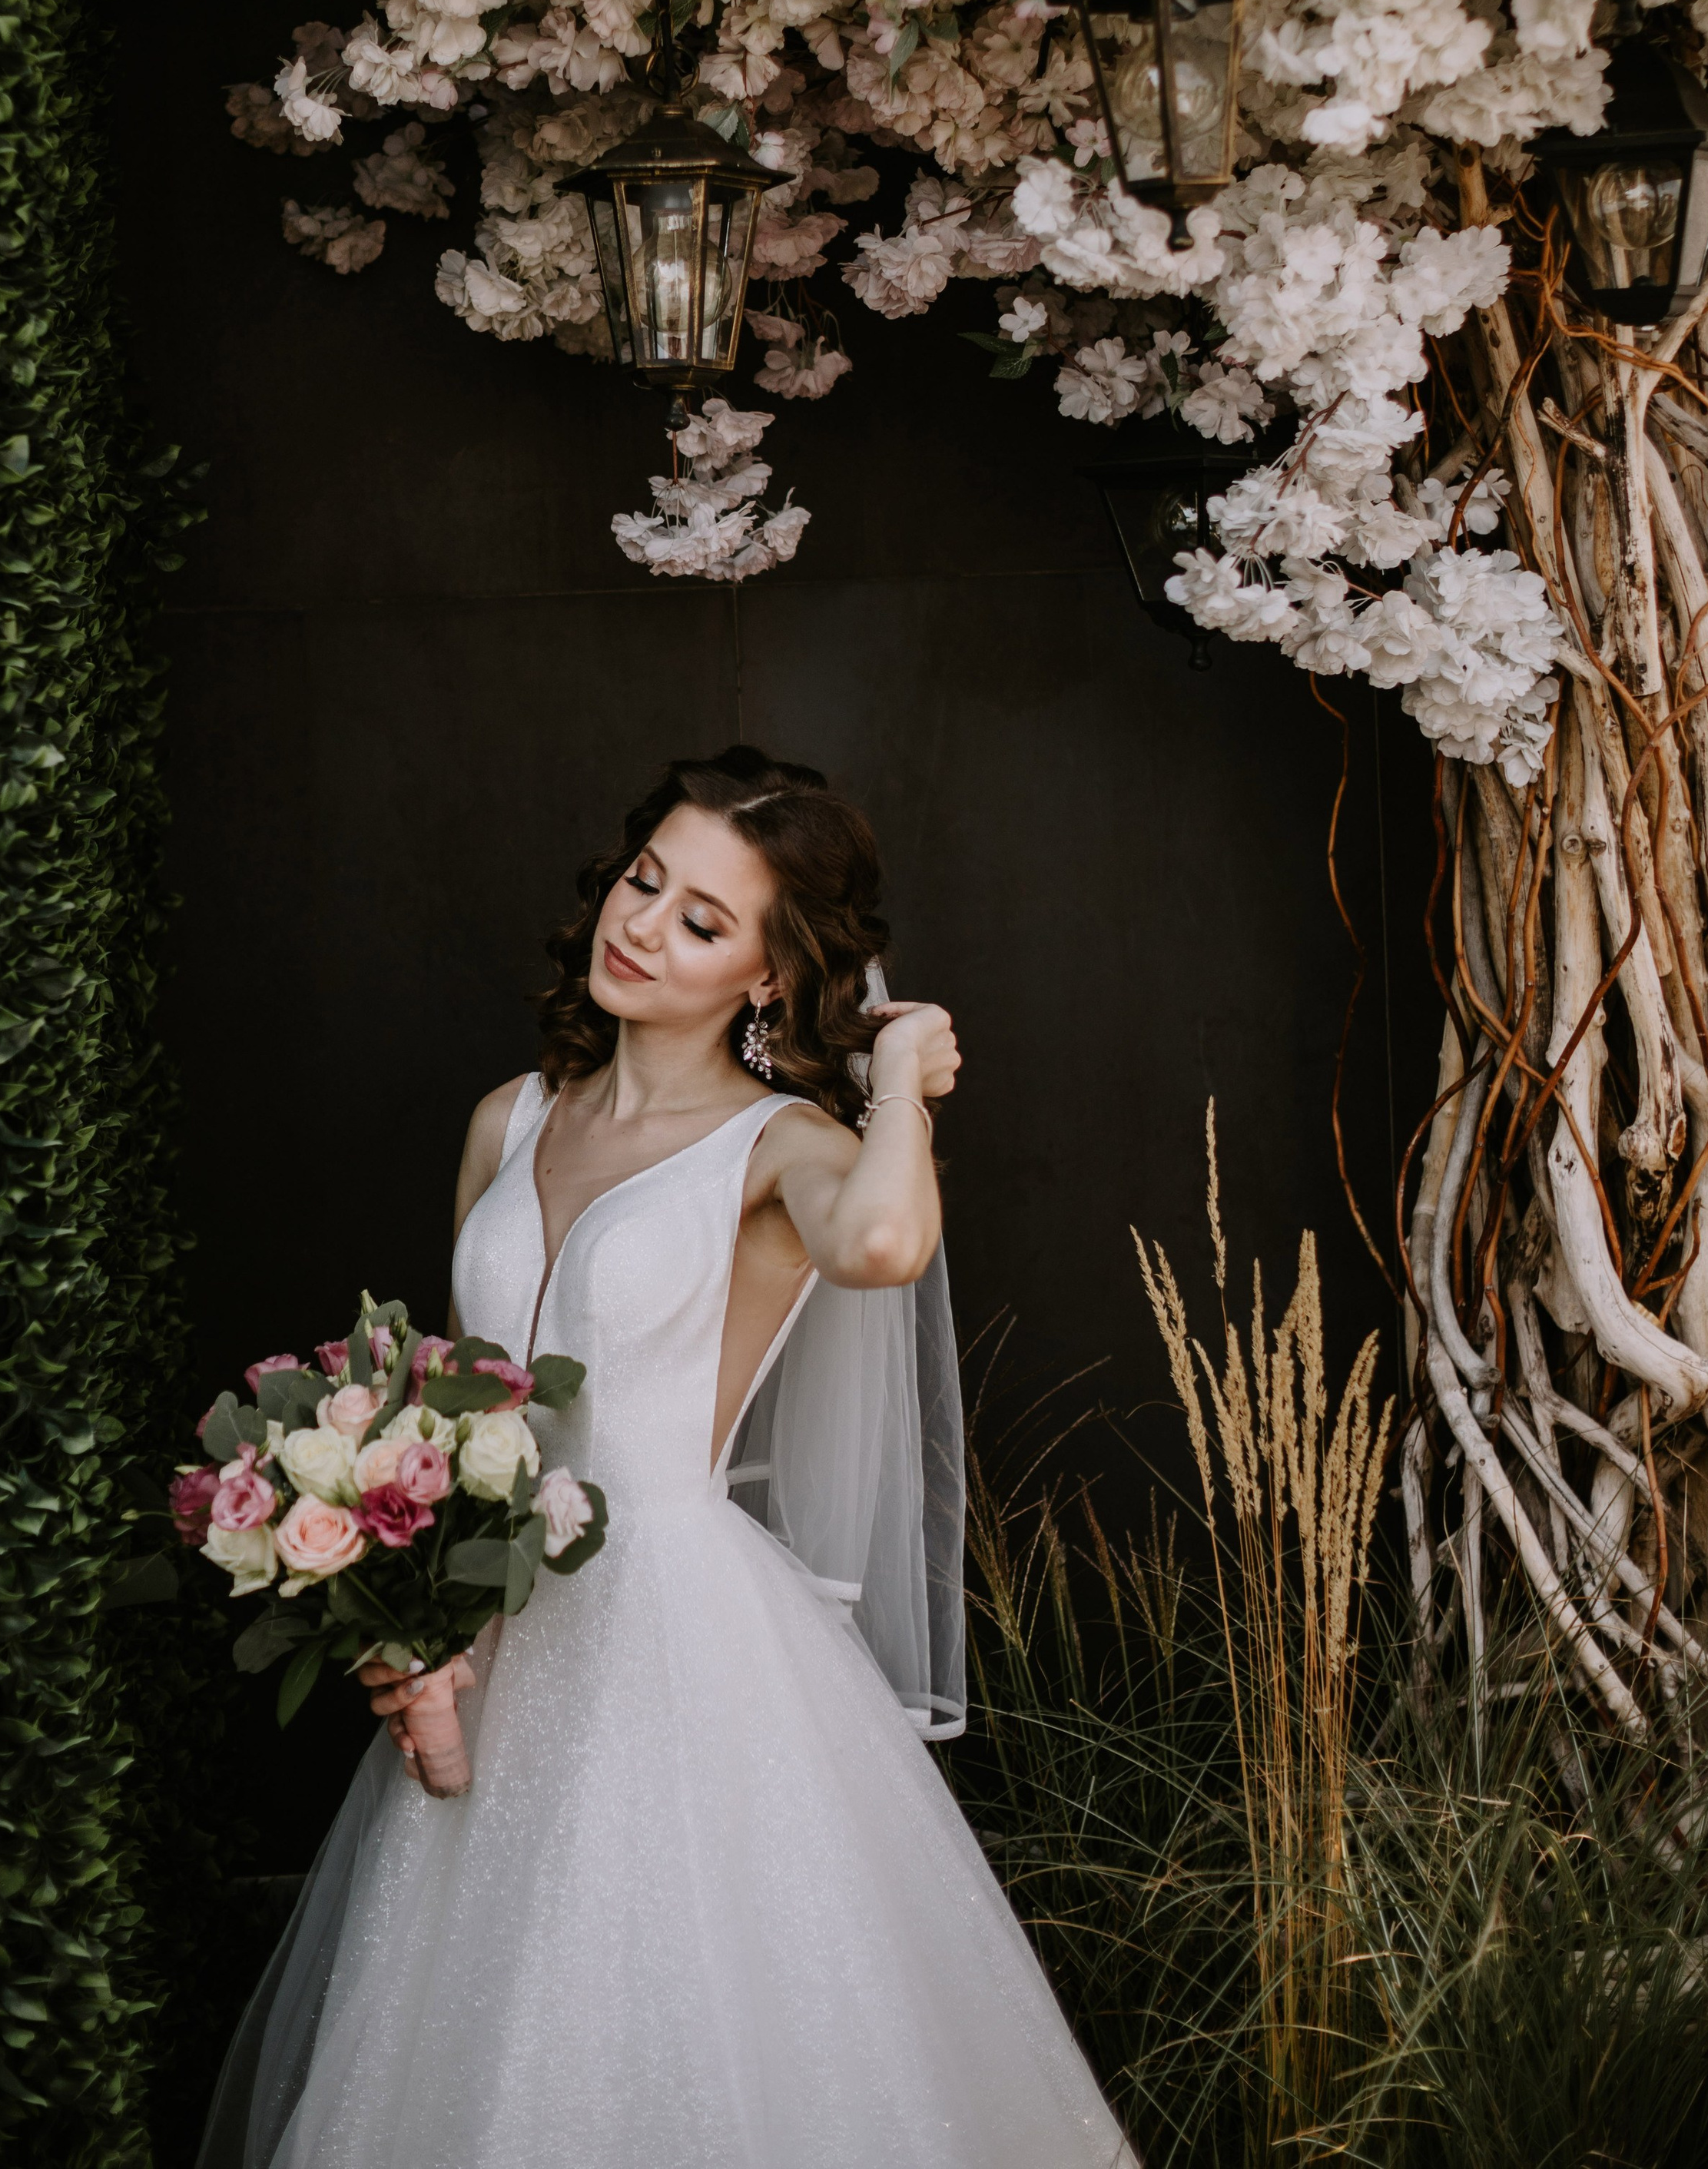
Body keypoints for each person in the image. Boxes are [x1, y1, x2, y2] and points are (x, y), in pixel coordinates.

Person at [197, 746, 1137, 2169]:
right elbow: (448, 1417)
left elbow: (883, 1244)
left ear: (767, 975)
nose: (644, 926)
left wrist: (895, 1079)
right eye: (646, 882)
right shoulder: (507, 1120)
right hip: (496, 1642)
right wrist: (410, 1616)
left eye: (704, 920)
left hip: (675, 1644)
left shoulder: (784, 1148)